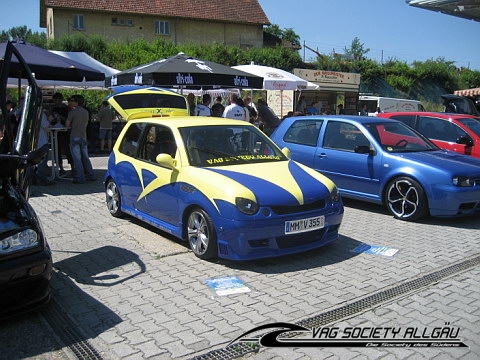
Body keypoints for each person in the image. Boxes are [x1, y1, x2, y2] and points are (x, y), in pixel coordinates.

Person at [66, 95, 96, 184]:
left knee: (77, 159)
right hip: (83, 136)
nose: (70, 102)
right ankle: (91, 175)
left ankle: (80, 177)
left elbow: (67, 124)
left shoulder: (72, 112)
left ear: (76, 102)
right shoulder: (86, 112)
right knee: (85, 158)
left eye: (72, 100)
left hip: (74, 136)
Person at [52, 92, 72, 176]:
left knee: (68, 150)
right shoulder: (52, 108)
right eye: (54, 100)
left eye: (57, 100)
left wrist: (60, 117)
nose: (56, 101)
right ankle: (60, 167)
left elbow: (69, 120)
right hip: (55, 132)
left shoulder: (66, 108)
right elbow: (52, 121)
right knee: (57, 150)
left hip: (65, 132)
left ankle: (73, 167)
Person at [35, 110, 55, 186]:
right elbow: (46, 125)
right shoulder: (40, 114)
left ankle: (35, 177)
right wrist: (49, 119)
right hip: (42, 140)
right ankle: (41, 178)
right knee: (42, 161)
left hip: (35, 140)